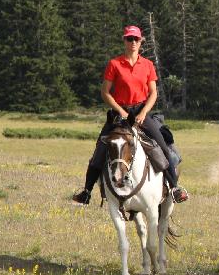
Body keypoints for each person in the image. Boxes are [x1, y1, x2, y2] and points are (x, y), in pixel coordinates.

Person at [72, 25, 189, 205]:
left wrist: (143, 113)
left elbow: (153, 93)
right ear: (124, 40)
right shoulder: (114, 64)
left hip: (141, 111)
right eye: (129, 39)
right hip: (119, 113)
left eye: (136, 39)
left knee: (163, 146)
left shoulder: (148, 65)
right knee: (100, 150)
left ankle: (174, 188)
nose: (133, 42)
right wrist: (120, 111)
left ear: (141, 41)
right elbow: (105, 92)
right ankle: (87, 191)